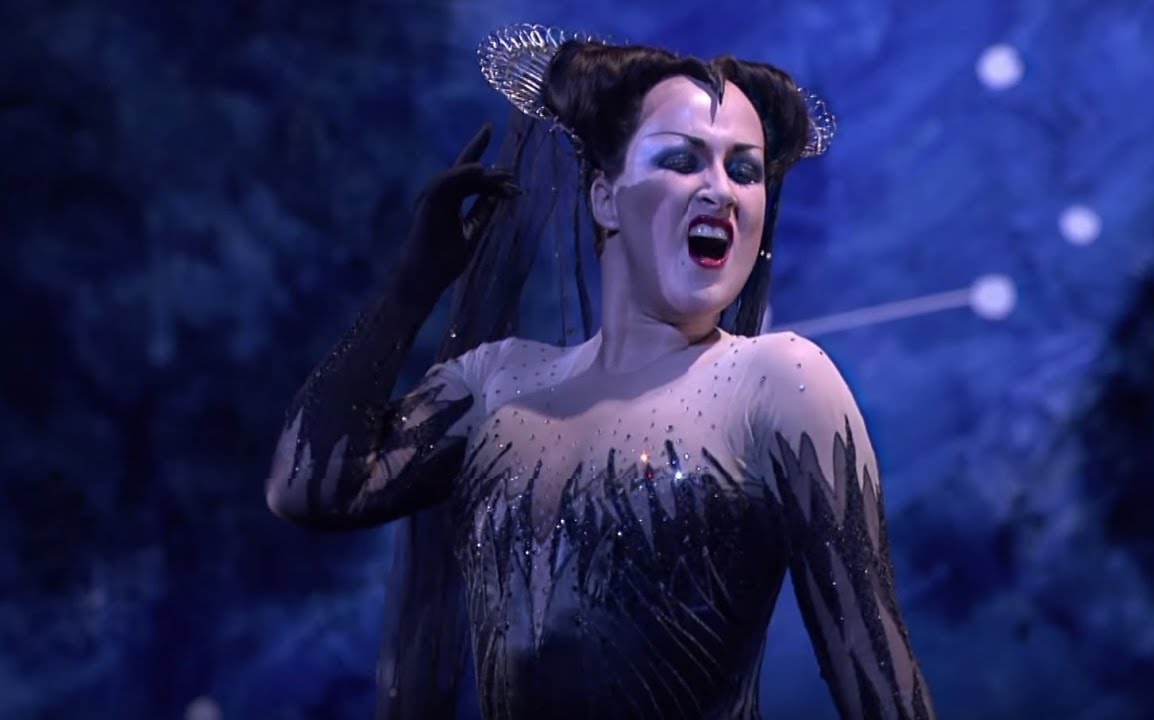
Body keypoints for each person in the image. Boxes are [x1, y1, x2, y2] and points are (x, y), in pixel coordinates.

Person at [265, 23, 935, 720]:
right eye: (682, 159)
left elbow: (878, 678)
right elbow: (308, 488)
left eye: (744, 171)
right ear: (604, 197)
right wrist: (412, 286)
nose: (722, 191)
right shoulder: (496, 386)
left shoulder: (778, 384)